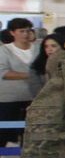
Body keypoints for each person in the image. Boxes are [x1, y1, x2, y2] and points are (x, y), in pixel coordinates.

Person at [0, 17, 42, 147]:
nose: (26, 34)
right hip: (9, 99)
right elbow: (4, 73)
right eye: (21, 31)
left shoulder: (38, 48)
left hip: (35, 98)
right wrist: (31, 75)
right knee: (4, 134)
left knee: (30, 134)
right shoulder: (4, 50)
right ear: (12, 32)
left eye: (28, 31)